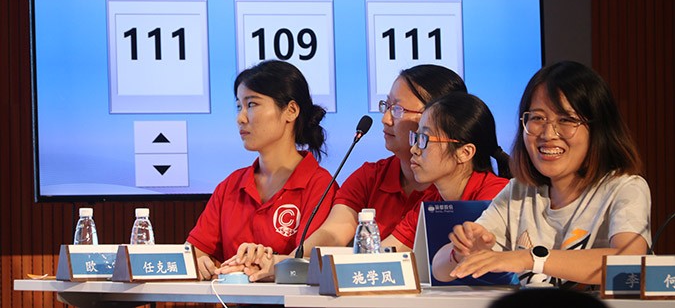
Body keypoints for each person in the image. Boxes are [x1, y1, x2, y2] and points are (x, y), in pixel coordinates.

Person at [220, 64, 467, 281]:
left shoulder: (457, 184)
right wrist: (284, 264)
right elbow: (332, 234)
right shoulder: (370, 176)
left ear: (436, 118)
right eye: (386, 106)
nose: (385, 119)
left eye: (398, 110)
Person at [433, 61, 651, 287]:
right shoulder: (520, 192)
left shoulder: (625, 188)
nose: (548, 134)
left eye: (566, 120)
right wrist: (463, 251)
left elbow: (630, 265)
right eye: (537, 118)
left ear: (599, 129)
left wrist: (530, 258)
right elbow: (440, 269)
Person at [186, 60, 338, 280]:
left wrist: (265, 264)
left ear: (291, 111)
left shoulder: (319, 185)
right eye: (238, 106)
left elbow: (305, 265)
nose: (240, 118)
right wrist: (199, 263)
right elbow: (193, 252)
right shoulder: (231, 185)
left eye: (252, 104)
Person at [382, 92, 511, 253]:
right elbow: (386, 253)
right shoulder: (429, 203)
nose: (414, 149)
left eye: (424, 139)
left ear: (464, 152)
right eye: (415, 137)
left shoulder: (496, 196)